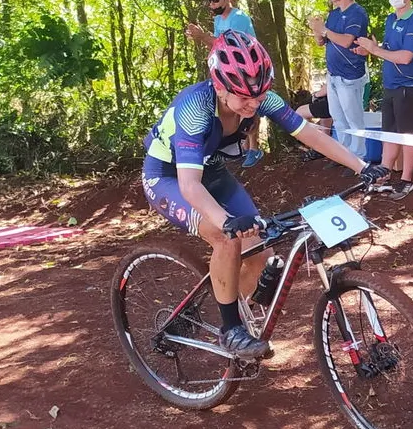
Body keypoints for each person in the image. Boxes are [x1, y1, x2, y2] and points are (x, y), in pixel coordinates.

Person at [141, 30, 389, 358]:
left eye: (259, 95)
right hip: (168, 177)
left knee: (257, 249)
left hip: (211, 172)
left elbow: (310, 134)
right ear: (219, 86)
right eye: (244, 97)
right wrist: (226, 220)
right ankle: (230, 329)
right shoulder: (195, 109)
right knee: (225, 235)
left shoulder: (260, 98)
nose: (254, 103)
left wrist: (361, 166)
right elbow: (189, 186)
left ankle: (236, 309)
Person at [354, 0, 413, 201]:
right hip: (390, 84)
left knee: (407, 134)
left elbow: (405, 57)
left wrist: (375, 51)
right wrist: (370, 49)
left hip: (408, 86)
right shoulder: (390, 20)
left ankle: (406, 180)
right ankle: (384, 173)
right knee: (389, 132)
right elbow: (388, 48)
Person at [186, 0, 264, 168]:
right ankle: (242, 146)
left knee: (250, 105)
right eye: (210, 1)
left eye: (215, 0)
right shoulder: (218, 20)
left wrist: (201, 36)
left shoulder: (238, 18)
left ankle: (254, 148)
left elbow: (230, 45)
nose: (211, 5)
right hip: (229, 71)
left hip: (248, 69)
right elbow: (217, 45)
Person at [308, 0, 370, 176]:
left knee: (354, 119)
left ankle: (359, 159)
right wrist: (318, 31)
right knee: (338, 118)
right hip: (333, 74)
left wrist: (324, 30)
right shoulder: (333, 14)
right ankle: (344, 155)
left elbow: (346, 41)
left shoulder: (357, 13)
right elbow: (322, 42)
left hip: (350, 75)